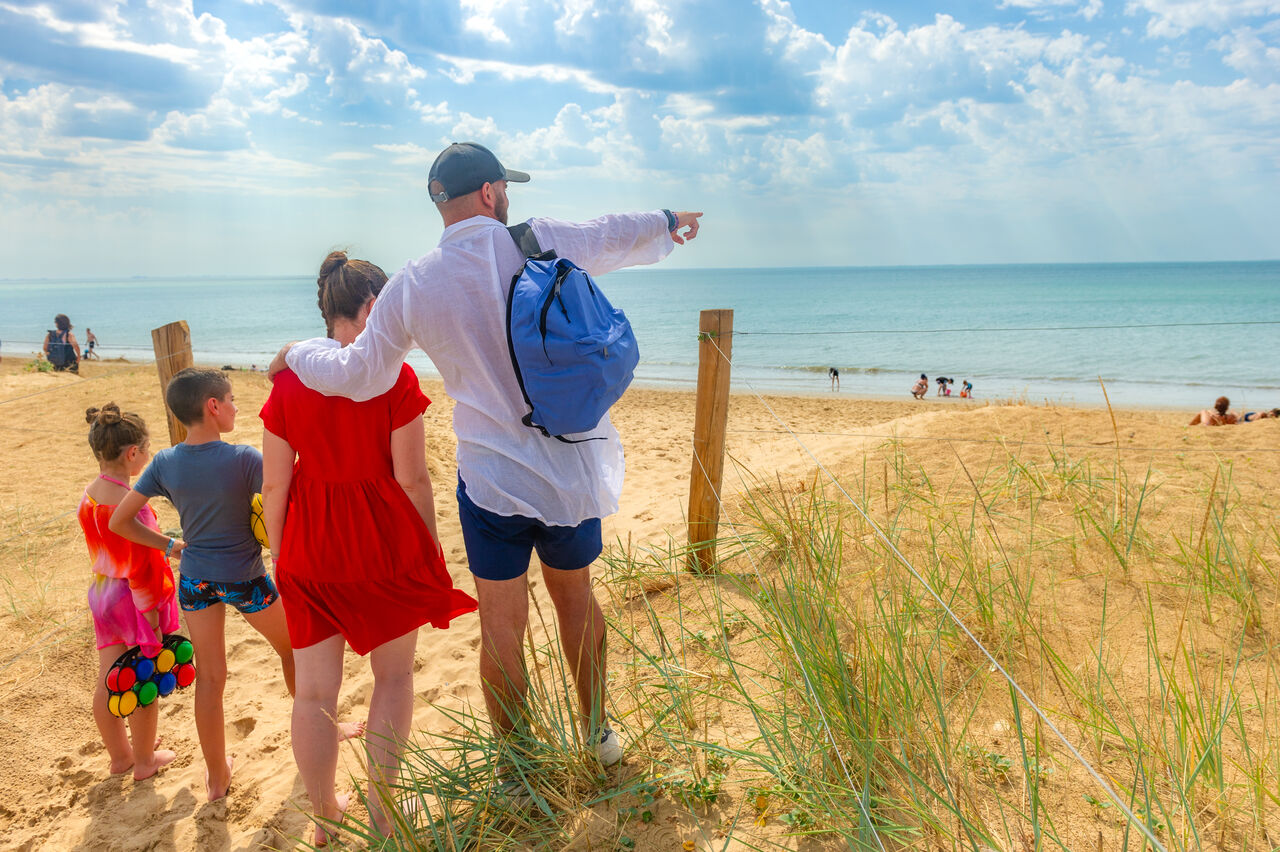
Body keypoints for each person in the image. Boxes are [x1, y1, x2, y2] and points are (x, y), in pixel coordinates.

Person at [272, 142, 702, 786]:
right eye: (506, 187)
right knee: (576, 601)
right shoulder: (536, 240)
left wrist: (296, 352)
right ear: (490, 193)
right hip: (569, 474)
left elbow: (357, 374)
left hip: (491, 485)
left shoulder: (415, 283)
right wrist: (667, 222)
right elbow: (611, 235)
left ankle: (517, 764)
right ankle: (597, 734)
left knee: (501, 622)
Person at [260, 252, 478, 843]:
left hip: (311, 546)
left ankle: (326, 814)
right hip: (382, 545)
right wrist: (427, 551)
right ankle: (382, 811)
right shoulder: (395, 379)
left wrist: (282, 558)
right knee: (395, 680)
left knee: (312, 693)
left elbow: (275, 483)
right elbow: (412, 478)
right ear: (374, 308)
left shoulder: (289, 380)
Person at [110, 368, 301, 801]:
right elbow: (287, 493)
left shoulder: (163, 462)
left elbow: (119, 521)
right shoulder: (244, 459)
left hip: (195, 580)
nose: (235, 406)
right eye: (230, 399)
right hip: (245, 580)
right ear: (212, 407)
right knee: (293, 651)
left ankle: (217, 778)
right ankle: (321, 728)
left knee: (212, 679)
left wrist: (171, 545)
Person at [78, 404, 180, 782]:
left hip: (102, 593)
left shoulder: (90, 494)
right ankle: (144, 761)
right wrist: (151, 616)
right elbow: (142, 568)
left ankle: (120, 757)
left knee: (110, 676)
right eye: (147, 448)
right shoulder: (131, 505)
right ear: (132, 454)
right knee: (143, 678)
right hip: (132, 600)